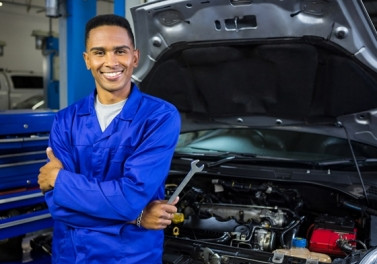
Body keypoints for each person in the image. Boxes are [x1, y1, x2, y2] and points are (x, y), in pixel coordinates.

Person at [38, 14, 181, 263]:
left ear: (135, 57)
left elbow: (129, 198)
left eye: (120, 51)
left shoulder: (159, 117)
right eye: (99, 52)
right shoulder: (65, 120)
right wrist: (136, 218)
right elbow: (57, 205)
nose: (111, 62)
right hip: (72, 254)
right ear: (87, 60)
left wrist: (61, 180)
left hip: (130, 256)